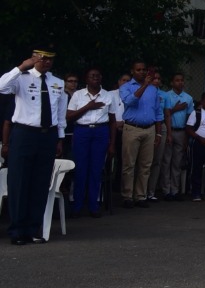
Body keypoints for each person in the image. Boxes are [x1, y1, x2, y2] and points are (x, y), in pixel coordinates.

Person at [1, 49, 68, 244]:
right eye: (43, 58)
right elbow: (1, 86)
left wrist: (60, 138)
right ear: (34, 58)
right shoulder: (21, 78)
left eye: (50, 59)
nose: (46, 62)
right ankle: (17, 231)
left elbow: (60, 113)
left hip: (48, 135)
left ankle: (32, 229)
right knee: (20, 182)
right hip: (24, 133)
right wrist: (21, 66)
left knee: (40, 183)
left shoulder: (57, 82)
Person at [66, 68, 118, 219]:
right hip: (82, 131)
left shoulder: (108, 95)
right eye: (91, 76)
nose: (95, 77)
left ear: (101, 77)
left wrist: (112, 143)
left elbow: (113, 121)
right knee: (80, 169)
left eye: (97, 75)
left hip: (101, 132)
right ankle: (77, 205)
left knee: (96, 169)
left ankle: (94, 205)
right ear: (86, 79)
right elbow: (69, 116)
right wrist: (88, 107)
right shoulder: (78, 94)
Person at [118, 60, 164, 208]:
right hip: (132, 128)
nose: (142, 72)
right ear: (132, 71)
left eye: (144, 70)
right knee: (129, 164)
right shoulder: (126, 87)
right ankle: (127, 196)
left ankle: (141, 196)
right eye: (138, 70)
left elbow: (158, 111)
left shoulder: (153, 89)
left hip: (149, 129)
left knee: (145, 165)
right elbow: (130, 101)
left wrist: (158, 133)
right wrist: (144, 85)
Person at [156, 73, 194, 201]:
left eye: (182, 80)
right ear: (172, 83)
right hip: (169, 130)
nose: (180, 83)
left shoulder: (188, 98)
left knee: (177, 162)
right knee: (166, 161)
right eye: (177, 80)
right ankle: (166, 190)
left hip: (182, 131)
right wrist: (176, 109)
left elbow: (190, 118)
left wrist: (187, 137)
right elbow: (163, 114)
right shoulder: (166, 96)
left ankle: (175, 190)